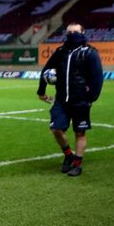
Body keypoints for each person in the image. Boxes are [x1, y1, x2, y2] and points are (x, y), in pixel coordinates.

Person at [37, 22, 103, 177]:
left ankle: (77, 164)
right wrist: (41, 91)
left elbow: (97, 78)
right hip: (61, 100)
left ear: (83, 32)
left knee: (80, 133)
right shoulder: (60, 51)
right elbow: (46, 70)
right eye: (69, 32)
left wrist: (92, 98)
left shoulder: (90, 52)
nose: (72, 35)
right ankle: (68, 155)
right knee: (56, 129)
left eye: (76, 32)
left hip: (81, 101)